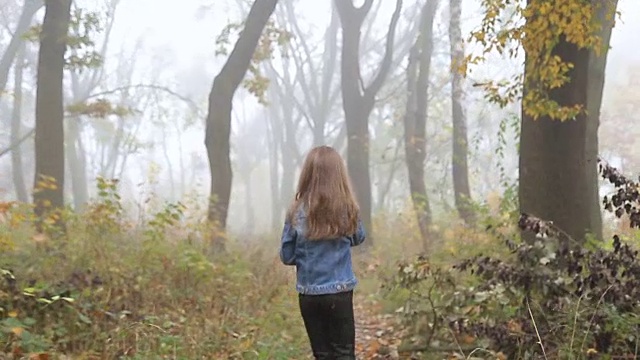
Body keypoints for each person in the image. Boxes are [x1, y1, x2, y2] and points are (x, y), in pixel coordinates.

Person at [279, 145, 366, 360]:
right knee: (344, 354)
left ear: (307, 174)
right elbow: (358, 238)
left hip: (309, 295)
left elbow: (286, 255)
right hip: (340, 292)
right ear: (339, 175)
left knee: (322, 355)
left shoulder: (296, 210)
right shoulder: (347, 208)